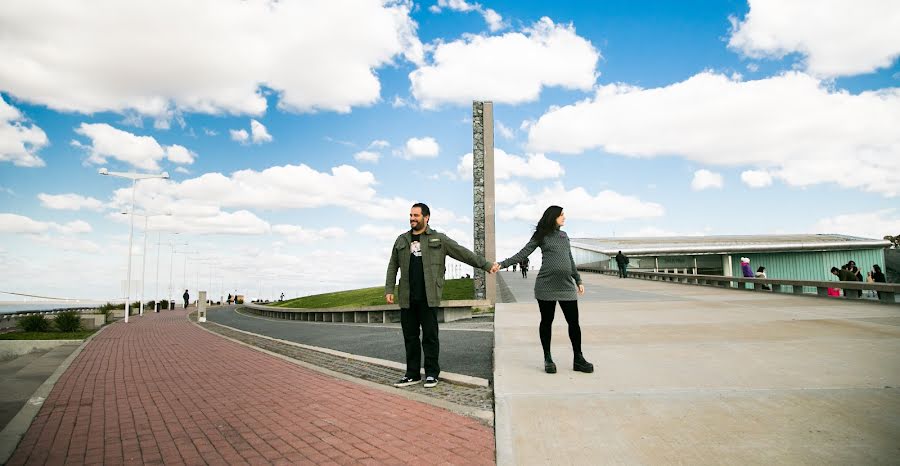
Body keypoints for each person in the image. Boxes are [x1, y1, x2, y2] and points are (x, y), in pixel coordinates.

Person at [385, 203, 495, 389]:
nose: (412, 218)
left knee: (430, 337)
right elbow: (392, 266)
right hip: (407, 297)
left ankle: (431, 374)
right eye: (410, 215)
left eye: (416, 215)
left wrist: (485, 264)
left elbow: (462, 253)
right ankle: (412, 374)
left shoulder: (438, 239)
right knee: (410, 337)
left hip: (429, 296)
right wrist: (389, 289)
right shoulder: (401, 240)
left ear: (426, 217)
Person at [493, 205, 593, 374]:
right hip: (546, 285)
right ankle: (548, 358)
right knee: (547, 322)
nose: (564, 218)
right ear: (553, 217)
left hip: (566, 286)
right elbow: (523, 253)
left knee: (574, 323)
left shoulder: (564, 235)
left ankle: (579, 358)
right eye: (561, 215)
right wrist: (502, 264)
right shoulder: (541, 235)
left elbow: (569, 259)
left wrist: (578, 279)